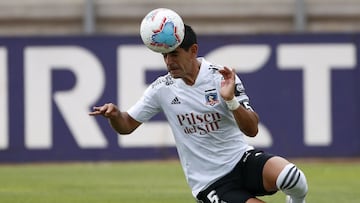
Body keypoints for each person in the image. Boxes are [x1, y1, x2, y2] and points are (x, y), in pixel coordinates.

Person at [89, 24, 308, 203]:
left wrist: (230, 100)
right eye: (164, 56)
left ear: (193, 51)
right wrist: (116, 115)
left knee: (294, 178)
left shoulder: (220, 77)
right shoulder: (161, 88)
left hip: (241, 160)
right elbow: (127, 125)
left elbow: (251, 130)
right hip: (211, 182)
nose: (168, 62)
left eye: (174, 54)